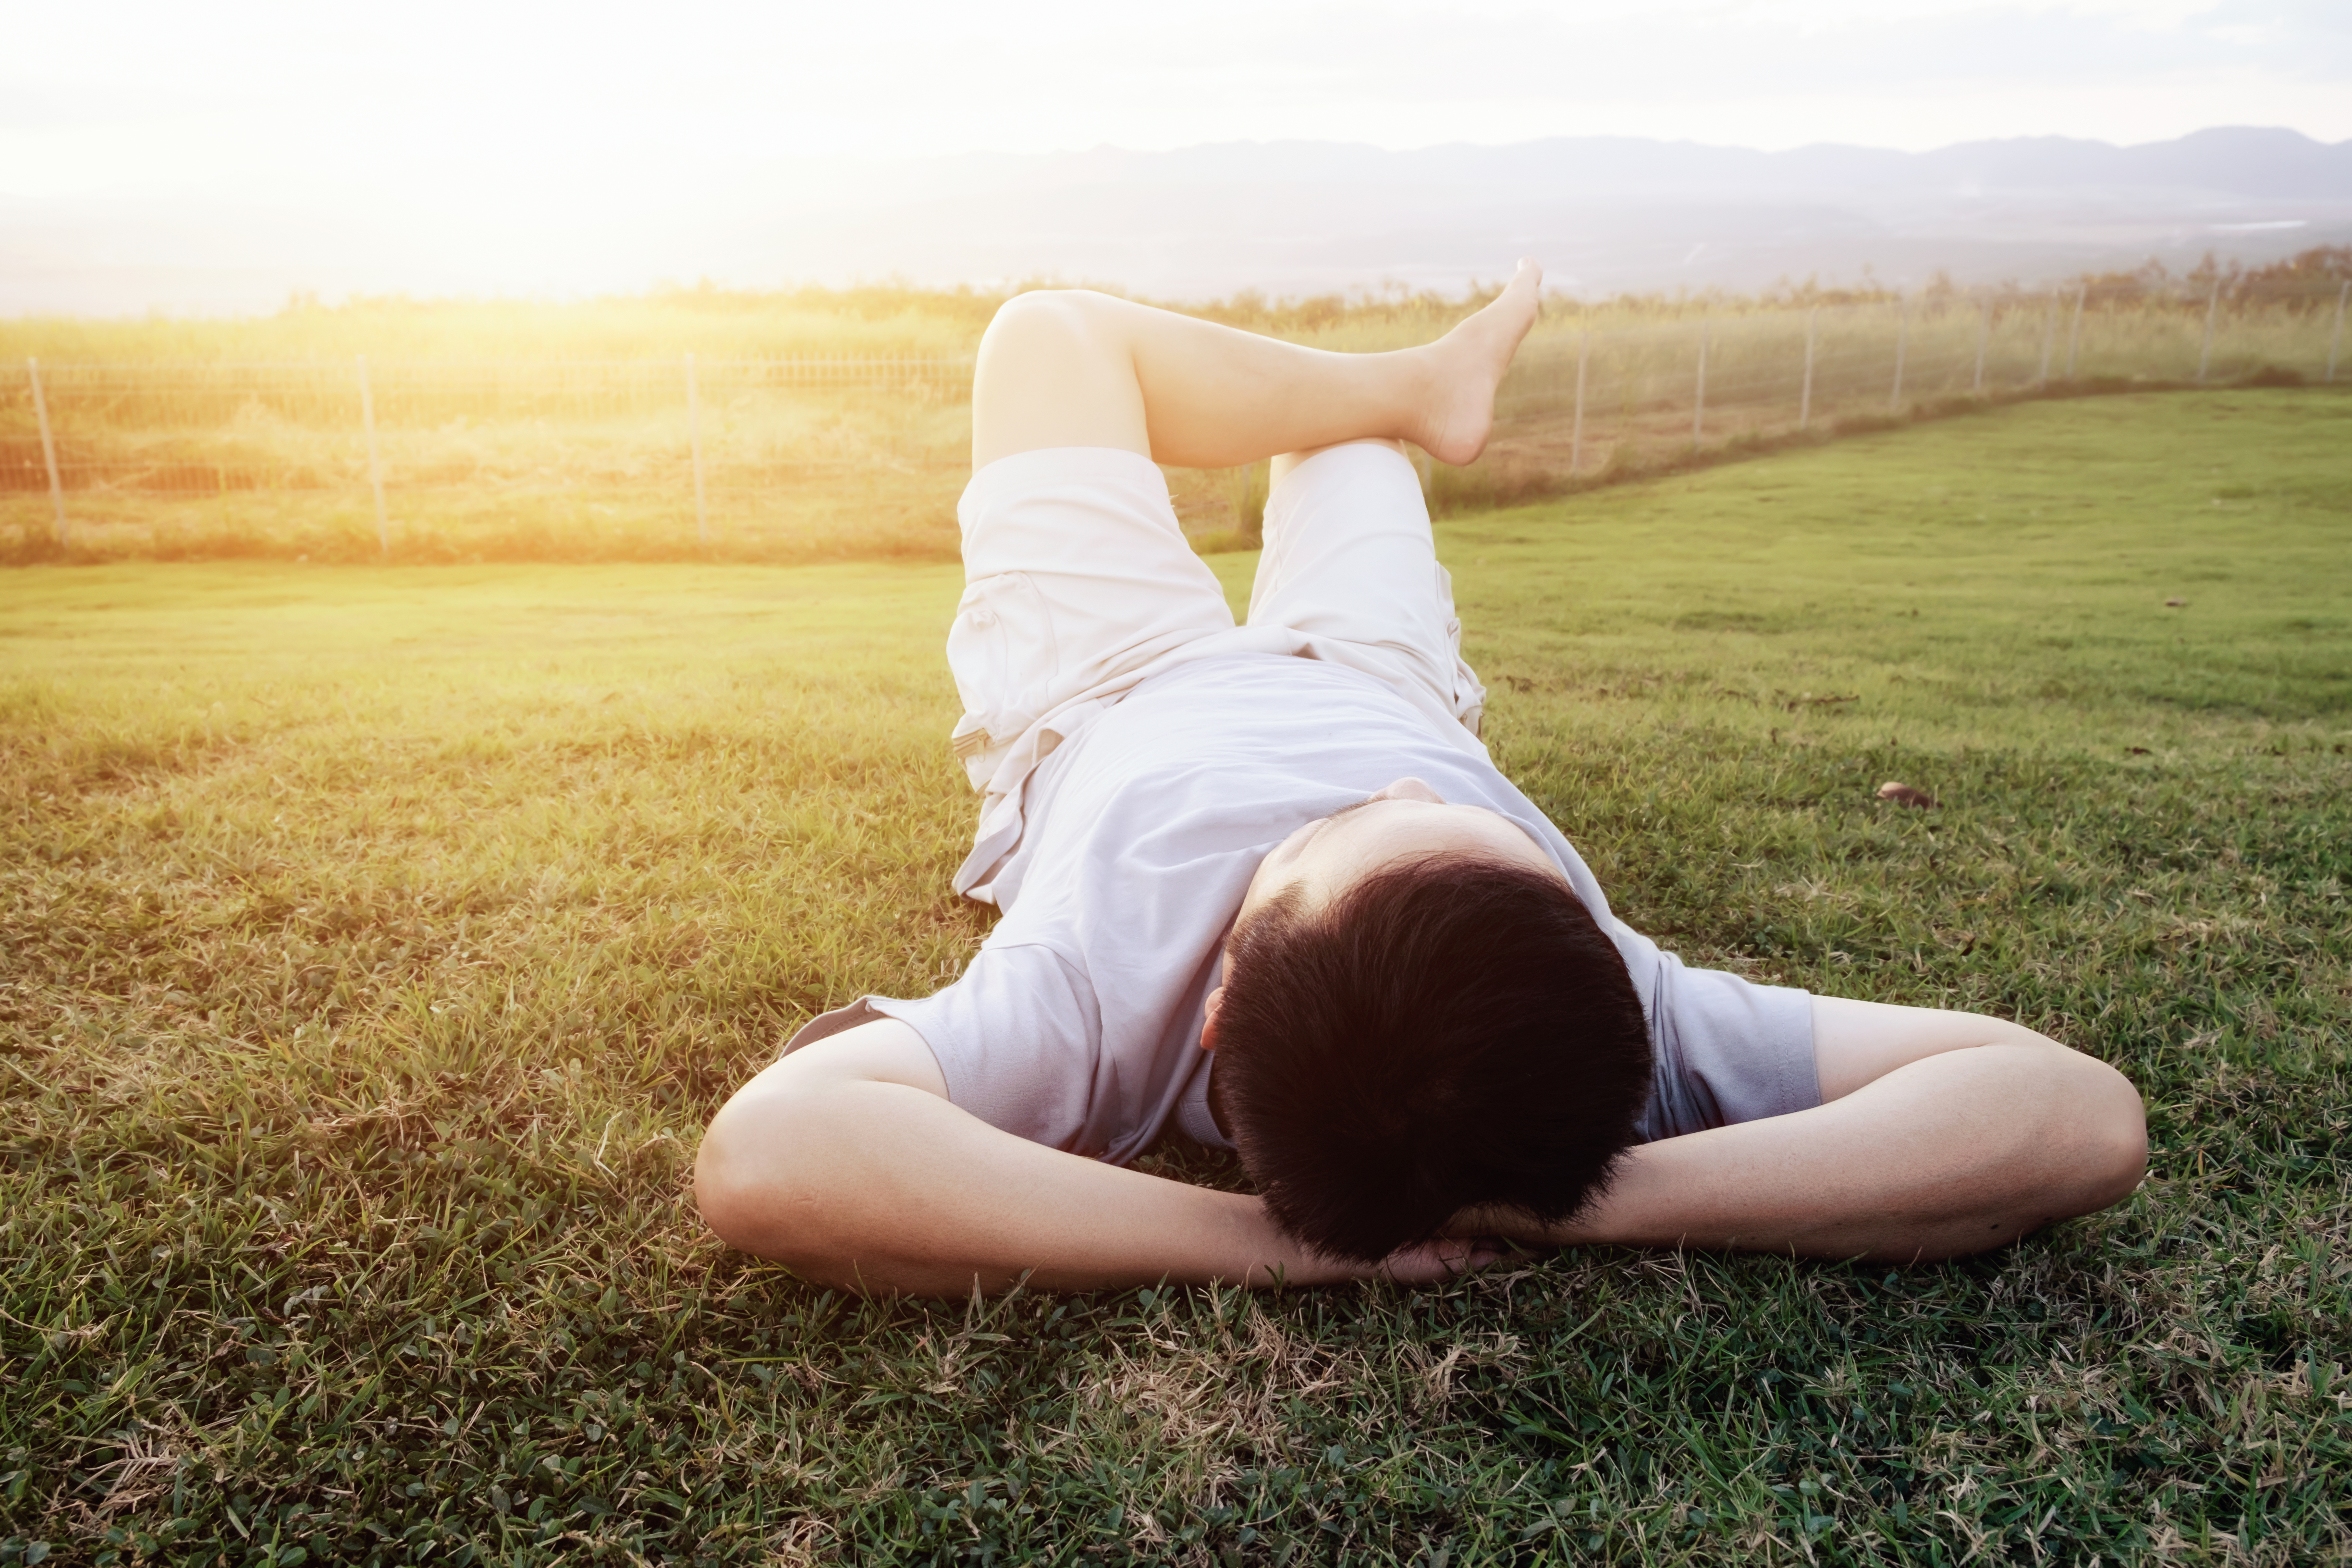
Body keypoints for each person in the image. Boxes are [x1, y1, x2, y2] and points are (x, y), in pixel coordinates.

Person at [695, 261, 2147, 1298]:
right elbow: (2075, 1111)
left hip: (1109, 692)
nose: (1396, 798)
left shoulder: (1088, 1006)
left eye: (1355, 842)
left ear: (1215, 1009)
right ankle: (1416, 389)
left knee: (1046, 337)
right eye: (1461, 834)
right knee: (1350, 441)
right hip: (1383, 675)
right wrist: (1596, 1202)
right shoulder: (1611, 1010)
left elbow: (771, 1153)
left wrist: (1264, 1245)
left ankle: (1408, 385)